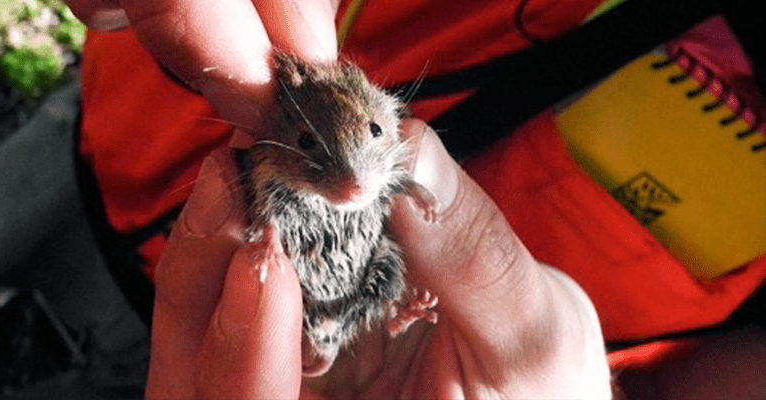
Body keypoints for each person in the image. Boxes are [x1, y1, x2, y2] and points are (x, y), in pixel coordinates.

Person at [66, 0, 613, 397]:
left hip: (267, 326)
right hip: (112, 158)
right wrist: (269, 237)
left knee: (386, 267)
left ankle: (367, 321)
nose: (353, 183)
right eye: (308, 145)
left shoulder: (380, 145)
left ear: (384, 118)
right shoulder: (273, 153)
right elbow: (264, 206)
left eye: (374, 136)